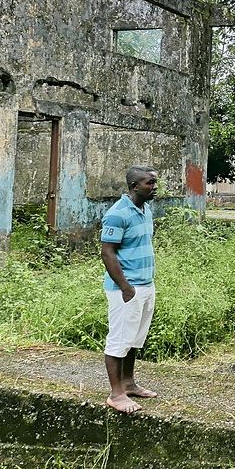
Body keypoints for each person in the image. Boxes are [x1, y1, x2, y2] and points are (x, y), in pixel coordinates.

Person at [101, 165, 159, 414]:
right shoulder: (117, 213)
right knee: (119, 340)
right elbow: (108, 252)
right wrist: (125, 287)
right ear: (134, 186)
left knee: (134, 339)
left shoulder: (145, 209)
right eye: (149, 183)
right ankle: (116, 394)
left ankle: (129, 383)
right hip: (126, 289)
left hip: (145, 285)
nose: (154, 187)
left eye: (155, 182)